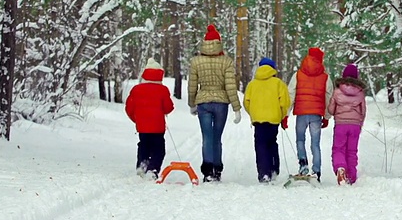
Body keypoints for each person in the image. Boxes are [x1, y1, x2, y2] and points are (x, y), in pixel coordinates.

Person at [188, 24, 242, 182]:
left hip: (203, 102)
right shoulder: (226, 61)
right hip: (221, 103)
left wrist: (192, 103)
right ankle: (217, 169)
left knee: (207, 137)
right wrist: (236, 108)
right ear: (219, 42)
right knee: (217, 137)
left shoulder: (196, 61)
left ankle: (207, 171)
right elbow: (230, 86)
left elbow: (192, 85)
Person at [286, 47, 333, 182]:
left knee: (300, 139)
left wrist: (286, 114)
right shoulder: (325, 77)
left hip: (301, 112)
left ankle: (303, 165)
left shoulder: (298, 74)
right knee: (315, 143)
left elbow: (291, 94)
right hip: (316, 115)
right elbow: (328, 96)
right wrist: (327, 116)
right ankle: (316, 171)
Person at [125, 58, 175, 180]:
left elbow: (129, 108)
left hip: (142, 127)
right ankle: (152, 169)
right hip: (157, 127)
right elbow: (169, 107)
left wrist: (137, 120)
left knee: (144, 145)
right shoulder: (163, 90)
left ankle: (142, 165)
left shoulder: (136, 89)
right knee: (159, 149)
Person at [244, 57, 291, 183]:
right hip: (273, 119)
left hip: (258, 121)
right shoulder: (278, 84)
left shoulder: (252, 84)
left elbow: (246, 102)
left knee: (260, 146)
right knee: (272, 143)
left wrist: (253, 113)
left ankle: (263, 173)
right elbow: (285, 102)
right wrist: (281, 116)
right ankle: (273, 169)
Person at [328, 63, 367, 185]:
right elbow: (363, 111)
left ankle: (340, 168)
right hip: (355, 125)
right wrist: (360, 124)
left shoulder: (337, 91)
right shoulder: (360, 93)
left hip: (340, 124)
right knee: (352, 151)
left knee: (338, 148)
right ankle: (351, 177)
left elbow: (331, 109)